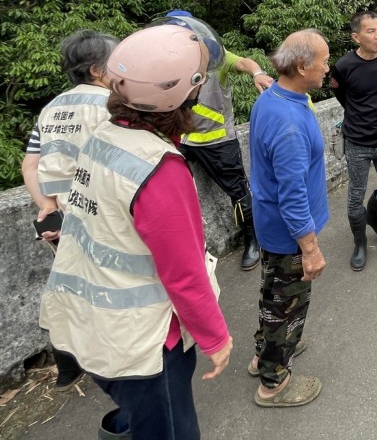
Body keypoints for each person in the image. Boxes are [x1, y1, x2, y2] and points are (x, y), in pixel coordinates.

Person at [39, 25, 233, 440]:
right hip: (146, 344)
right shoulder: (159, 169)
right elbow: (184, 274)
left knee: (139, 418)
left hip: (91, 326)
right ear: (187, 94)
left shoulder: (104, 137)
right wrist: (216, 338)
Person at [22, 29, 118, 394]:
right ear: (96, 69)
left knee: (73, 287)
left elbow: (31, 164)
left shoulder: (51, 108)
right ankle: (114, 366)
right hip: (101, 218)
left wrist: (47, 205)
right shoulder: (111, 104)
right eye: (116, 61)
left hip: (61, 221)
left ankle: (71, 362)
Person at [247, 29, 330, 408]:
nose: (327, 68)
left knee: (274, 292)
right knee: (287, 303)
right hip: (288, 233)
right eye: (323, 62)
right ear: (301, 66)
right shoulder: (289, 123)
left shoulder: (272, 97)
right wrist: (310, 249)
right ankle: (274, 381)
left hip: (271, 224)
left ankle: (264, 351)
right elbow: (292, 195)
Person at [162, 10, 275, 271]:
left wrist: (257, 72)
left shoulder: (215, 54)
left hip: (218, 141)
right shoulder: (165, 61)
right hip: (181, 139)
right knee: (169, 191)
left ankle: (253, 240)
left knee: (238, 192)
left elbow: (243, 62)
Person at [329, 10, 377, 271]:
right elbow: (342, 97)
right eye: (370, 31)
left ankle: (373, 217)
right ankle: (359, 243)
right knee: (355, 197)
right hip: (357, 143)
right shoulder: (343, 66)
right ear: (356, 37)